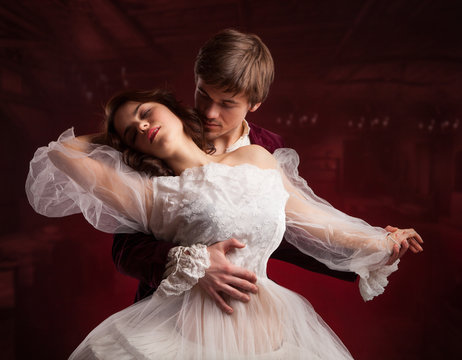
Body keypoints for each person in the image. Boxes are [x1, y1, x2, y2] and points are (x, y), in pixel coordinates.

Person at [25, 88, 423, 359]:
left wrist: (383, 241)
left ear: (175, 109)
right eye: (133, 130)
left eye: (146, 113)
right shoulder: (149, 194)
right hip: (189, 337)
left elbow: (322, 225)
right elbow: (60, 152)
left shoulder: (257, 159)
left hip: (278, 330)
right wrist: (114, 136)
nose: (143, 126)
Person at [113, 29, 363, 313]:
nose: (209, 112)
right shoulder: (161, 135)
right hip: (169, 308)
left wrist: (366, 248)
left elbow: (293, 225)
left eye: (227, 103)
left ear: (254, 104)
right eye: (203, 94)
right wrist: (197, 265)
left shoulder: (268, 147)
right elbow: (125, 250)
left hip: (237, 307)